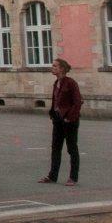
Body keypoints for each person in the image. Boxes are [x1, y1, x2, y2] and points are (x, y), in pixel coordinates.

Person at [40, 58, 83, 186]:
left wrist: (69, 117)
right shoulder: (56, 83)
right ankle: (52, 176)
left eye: (55, 66)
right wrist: (53, 114)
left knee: (72, 148)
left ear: (62, 69)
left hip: (70, 121)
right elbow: (55, 101)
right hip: (58, 119)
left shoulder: (71, 83)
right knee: (56, 148)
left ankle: (73, 177)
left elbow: (77, 102)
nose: (52, 68)